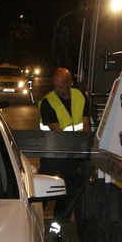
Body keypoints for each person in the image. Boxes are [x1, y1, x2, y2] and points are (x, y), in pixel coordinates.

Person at [38, 68, 91, 218]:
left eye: (60, 86)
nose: (57, 90)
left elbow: (86, 125)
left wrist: (82, 147)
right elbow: (57, 131)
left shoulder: (80, 97)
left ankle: (59, 231)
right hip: (52, 154)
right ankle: (35, 222)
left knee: (67, 194)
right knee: (44, 193)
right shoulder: (48, 102)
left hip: (71, 156)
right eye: (54, 86)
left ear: (70, 83)